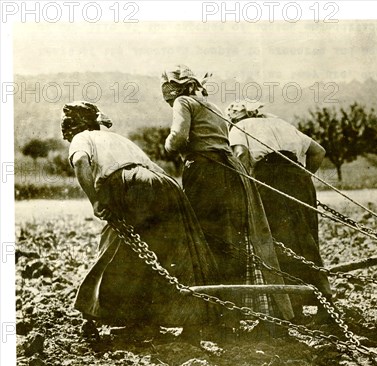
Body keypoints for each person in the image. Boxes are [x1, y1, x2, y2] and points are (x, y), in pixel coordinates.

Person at [61, 101, 221, 341]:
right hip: (166, 185)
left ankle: (100, 313)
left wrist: (95, 201)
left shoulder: (82, 138)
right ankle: (190, 320)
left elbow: (81, 162)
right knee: (176, 252)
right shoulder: (118, 139)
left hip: (131, 183)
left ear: (74, 127)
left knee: (116, 247)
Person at [161, 65, 294, 330]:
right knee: (230, 239)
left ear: (177, 88)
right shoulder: (213, 107)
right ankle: (231, 310)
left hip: (205, 173)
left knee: (205, 238)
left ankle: (214, 313)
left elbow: (177, 138)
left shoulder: (183, 102)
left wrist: (167, 146)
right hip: (231, 173)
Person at [227, 100, 333, 321]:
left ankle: (286, 307)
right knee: (306, 240)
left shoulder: (239, 128)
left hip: (269, 181)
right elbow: (318, 151)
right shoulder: (281, 124)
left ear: (235, 118)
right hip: (300, 180)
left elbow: (240, 155)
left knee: (277, 241)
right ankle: (323, 302)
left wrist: (247, 187)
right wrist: (302, 177)